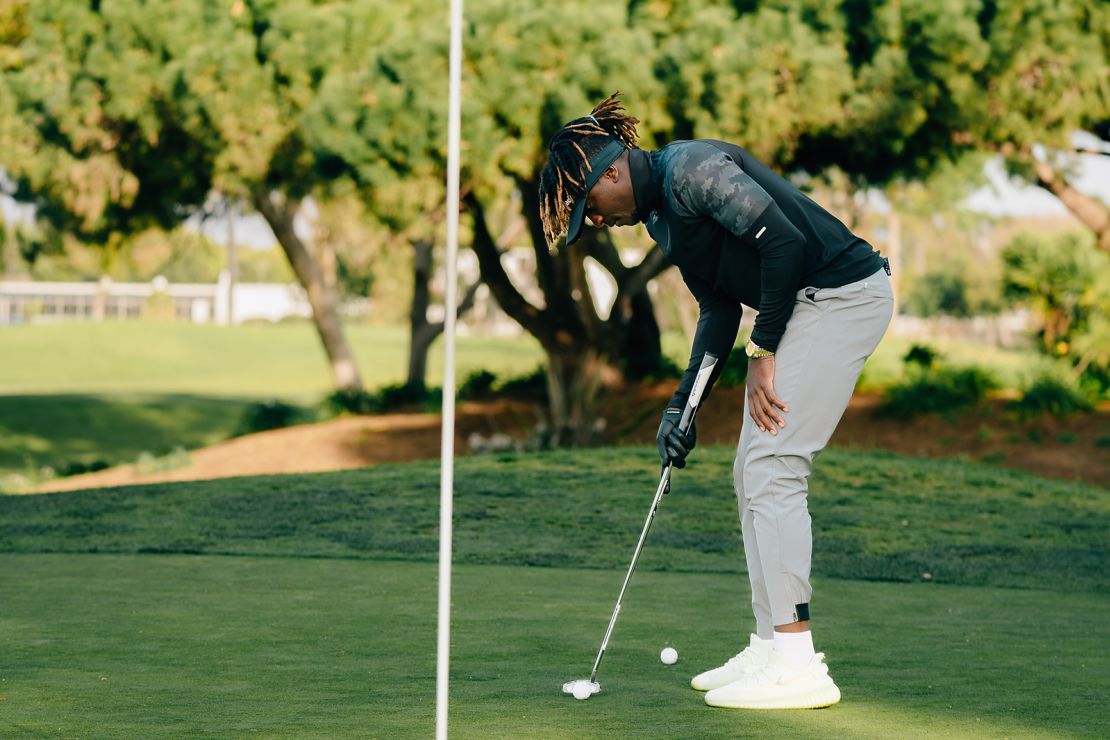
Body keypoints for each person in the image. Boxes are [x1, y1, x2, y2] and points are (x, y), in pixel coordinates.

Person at [538, 93, 893, 710]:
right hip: (807, 305)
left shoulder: (693, 172)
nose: (594, 222)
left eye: (589, 207)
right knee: (748, 470)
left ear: (612, 172)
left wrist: (762, 354)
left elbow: (783, 244)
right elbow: (718, 308)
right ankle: (769, 645)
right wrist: (682, 409)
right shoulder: (661, 219)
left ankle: (797, 660)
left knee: (775, 467)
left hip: (841, 297)